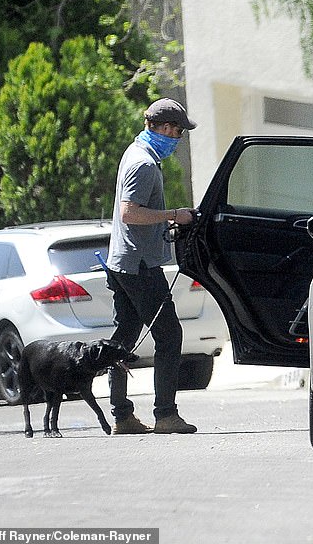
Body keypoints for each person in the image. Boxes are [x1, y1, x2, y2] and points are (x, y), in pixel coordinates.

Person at [106, 98, 199, 434]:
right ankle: (166, 414)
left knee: (123, 340)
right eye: (178, 132)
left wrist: (164, 220)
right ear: (166, 128)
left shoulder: (135, 153)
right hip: (140, 266)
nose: (178, 139)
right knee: (169, 335)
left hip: (123, 262)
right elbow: (129, 213)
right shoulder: (144, 163)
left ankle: (122, 416)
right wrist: (174, 214)